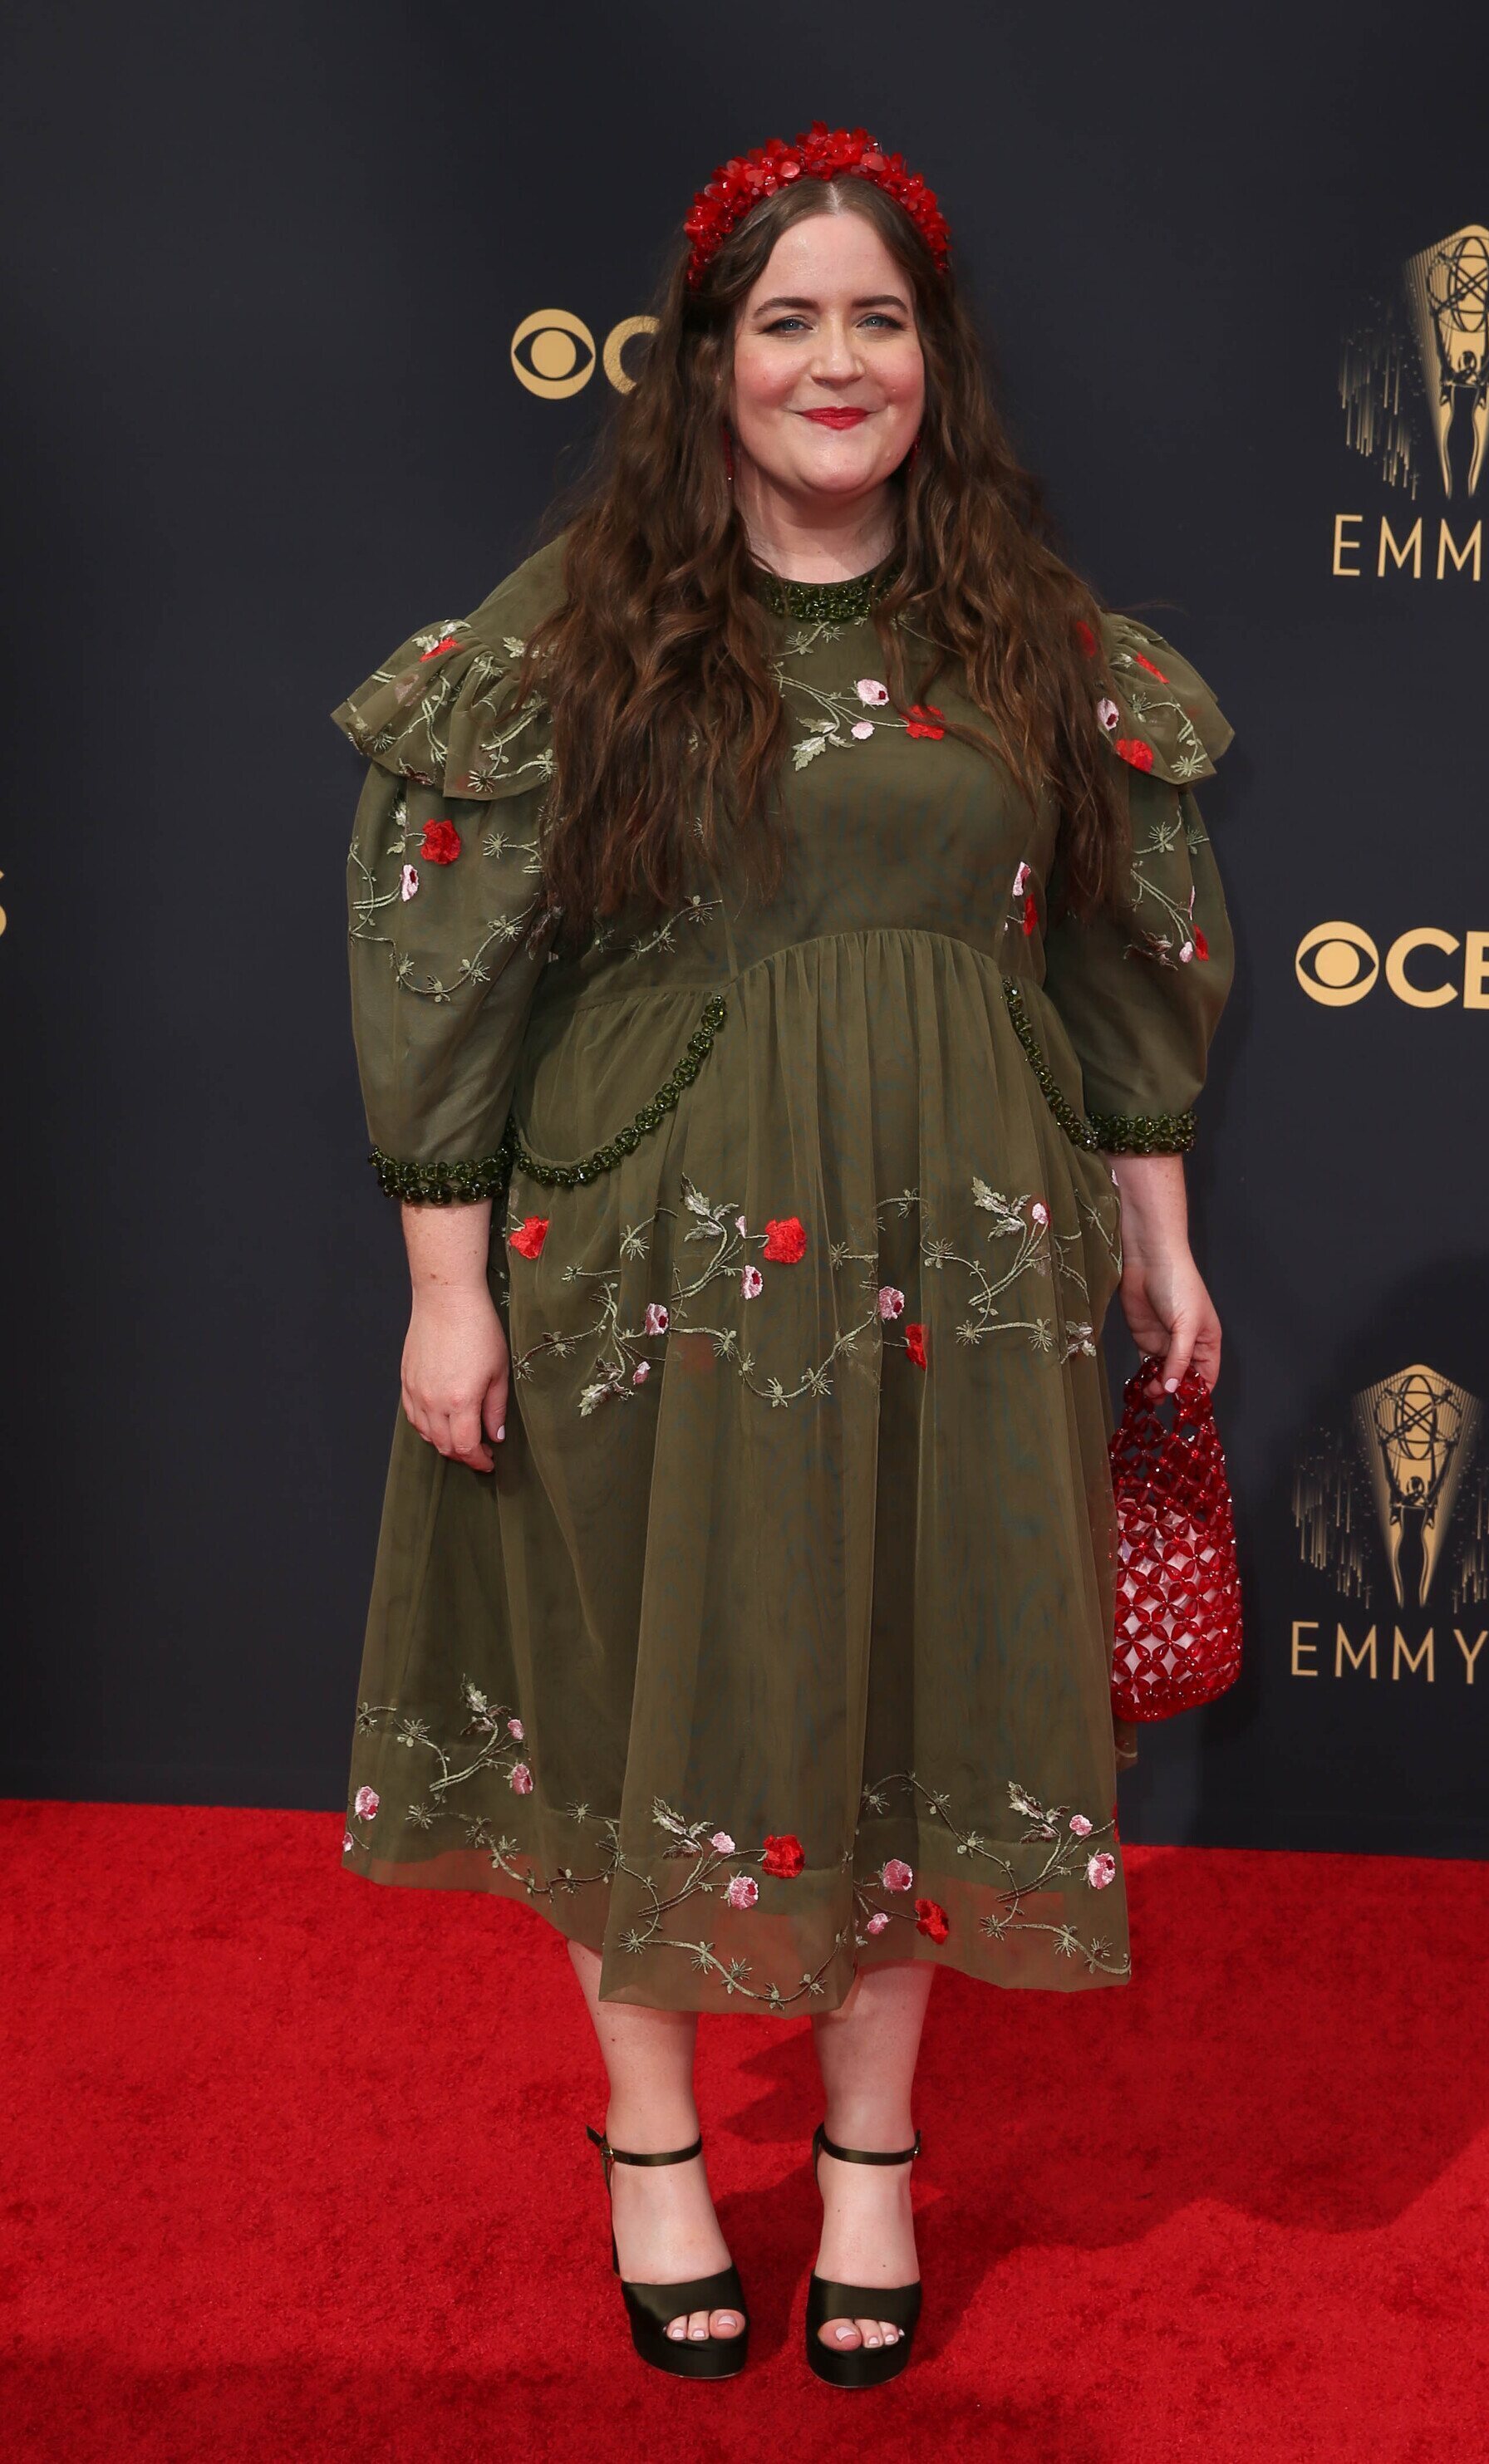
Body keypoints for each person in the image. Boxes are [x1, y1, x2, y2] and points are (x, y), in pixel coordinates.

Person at [334, 120, 1232, 2389]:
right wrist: (446, 1287)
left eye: (880, 321)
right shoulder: (581, 628)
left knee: (919, 1688)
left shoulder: (1025, 626)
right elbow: (450, 963)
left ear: (936, 358)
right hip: (656, 1247)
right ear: (709, 358)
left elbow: (1124, 957)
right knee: (643, 1692)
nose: (839, 365)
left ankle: (869, 2163)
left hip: (967, 1261)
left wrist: (1158, 1233)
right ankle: (653, 2146)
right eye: (790, 321)